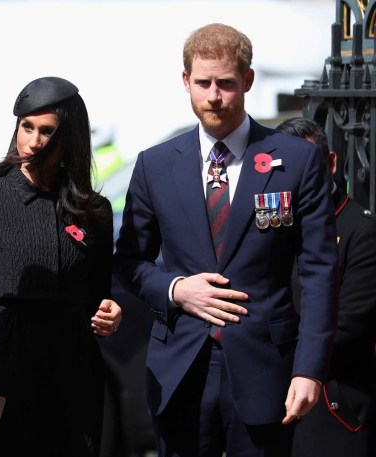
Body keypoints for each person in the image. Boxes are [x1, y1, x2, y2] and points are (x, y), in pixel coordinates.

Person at [113, 23, 337, 457]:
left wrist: (309, 369)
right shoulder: (155, 165)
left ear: (247, 81)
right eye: (203, 83)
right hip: (179, 367)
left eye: (226, 84)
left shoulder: (296, 160)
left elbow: (319, 272)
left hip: (266, 367)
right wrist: (177, 290)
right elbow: (130, 263)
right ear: (185, 81)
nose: (213, 95)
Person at [0, 76, 122, 457]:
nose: (33, 141)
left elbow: (100, 299)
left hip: (74, 368)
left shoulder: (94, 211)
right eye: (26, 127)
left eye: (47, 131)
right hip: (1, 363)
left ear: (70, 138)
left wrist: (110, 315)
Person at [276, 117, 376, 457]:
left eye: (308, 165)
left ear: (331, 163)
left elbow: (350, 324)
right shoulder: (275, 223)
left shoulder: (360, 230)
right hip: (268, 394)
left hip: (330, 403)